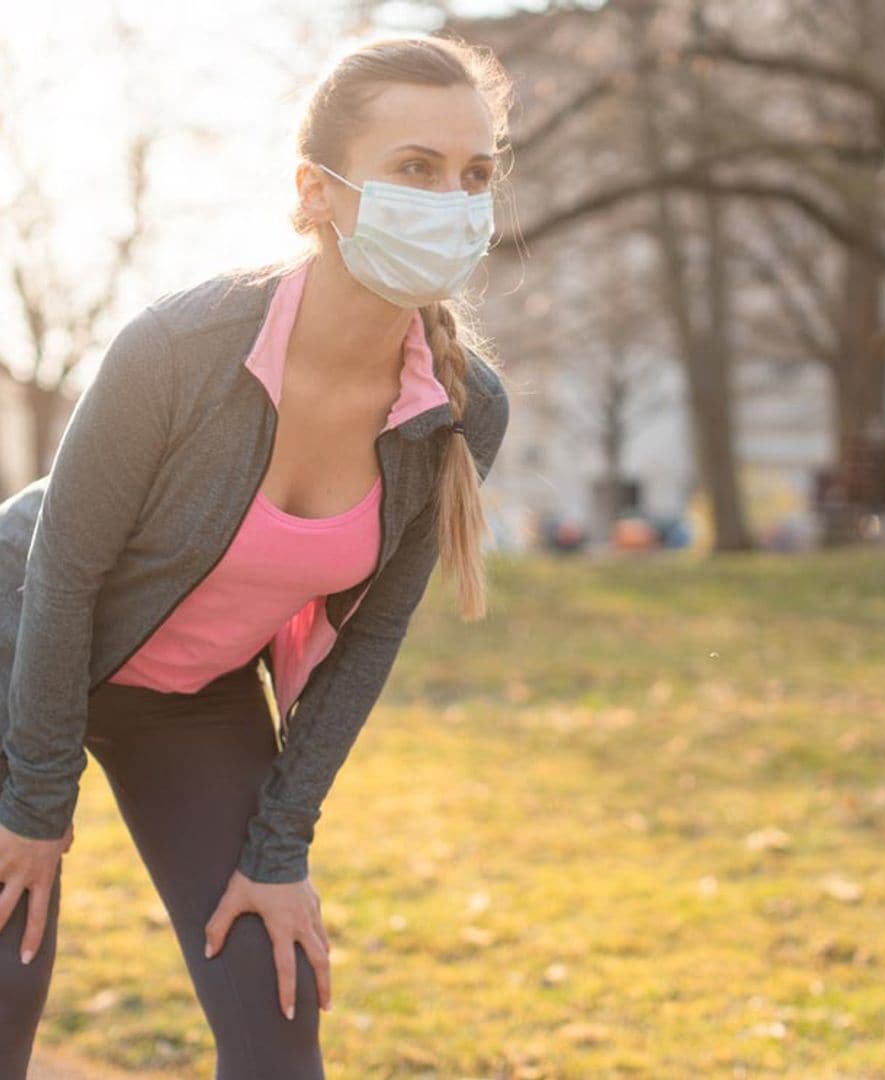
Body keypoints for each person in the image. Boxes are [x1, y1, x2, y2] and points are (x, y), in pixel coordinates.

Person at [0, 32, 513, 1079]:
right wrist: (33, 808)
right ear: (315, 191)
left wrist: (279, 854)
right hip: (20, 632)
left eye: (475, 175)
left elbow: (365, 648)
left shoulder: (461, 411)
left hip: (185, 697)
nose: (452, 201)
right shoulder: (180, 348)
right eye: (416, 168)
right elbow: (61, 575)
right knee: (7, 971)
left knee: (276, 1012)